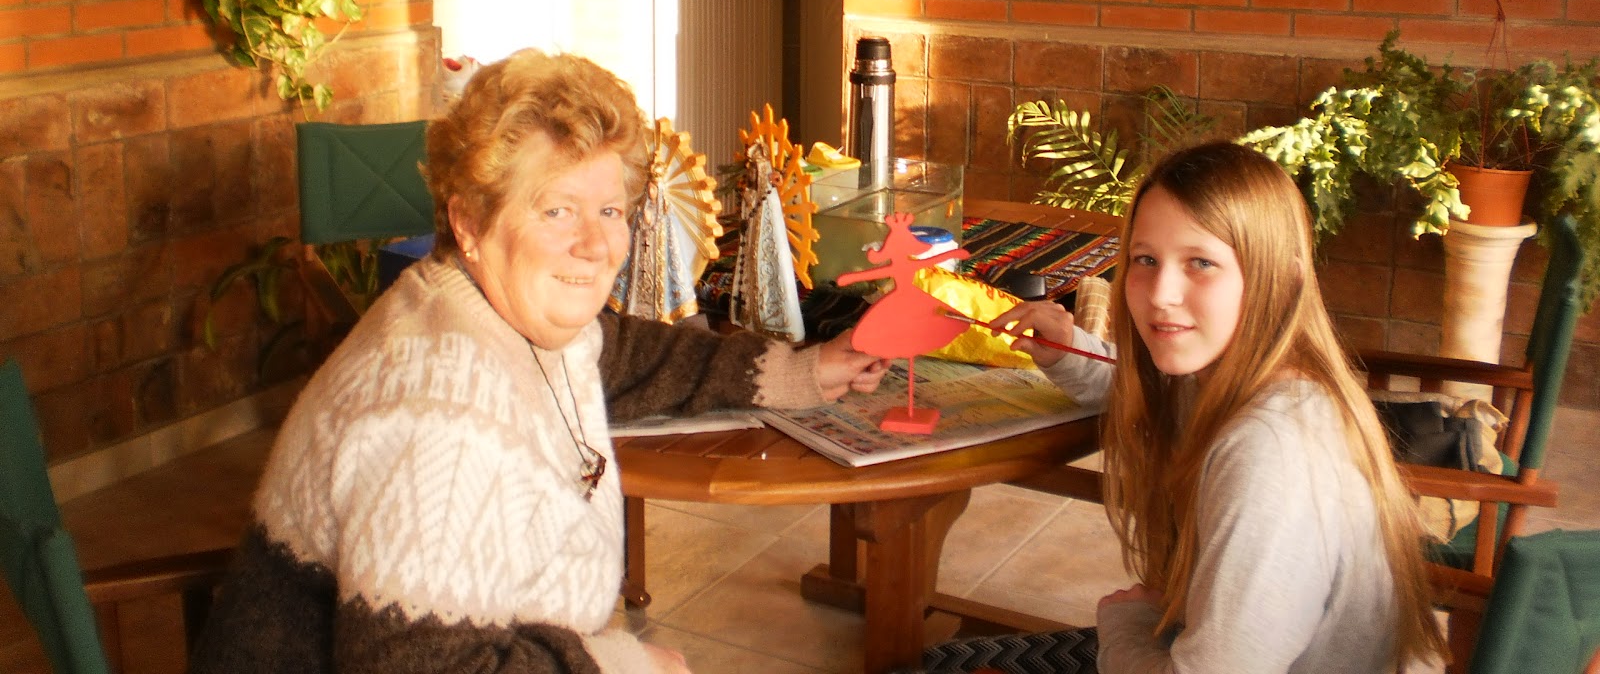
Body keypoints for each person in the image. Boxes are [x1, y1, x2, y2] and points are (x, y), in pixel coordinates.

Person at [191, 49, 888, 674]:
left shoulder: (485, 307)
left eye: (610, 211)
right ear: (469, 221)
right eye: (557, 211)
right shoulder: (436, 418)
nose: (596, 244)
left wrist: (805, 370)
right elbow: (422, 666)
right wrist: (619, 666)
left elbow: (623, 353)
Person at [917, 141, 1445, 674]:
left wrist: (1121, 626)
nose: (1161, 294)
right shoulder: (1232, 375)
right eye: (1145, 260)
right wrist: (1067, 351)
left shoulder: (1273, 452)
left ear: (1283, 279)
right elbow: (1147, 394)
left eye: (1201, 263)